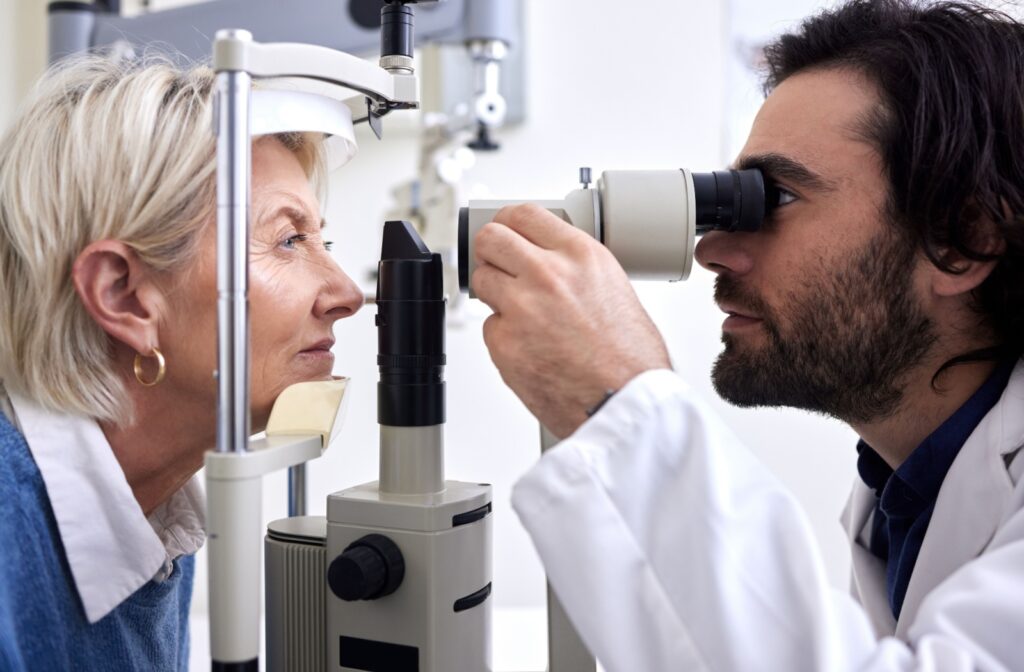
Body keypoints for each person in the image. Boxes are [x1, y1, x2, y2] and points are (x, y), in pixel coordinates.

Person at [471, 1, 1024, 669]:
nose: (713, 250)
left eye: (778, 198)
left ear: (964, 241)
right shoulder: (905, 488)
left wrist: (623, 401)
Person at [0, 56, 363, 670]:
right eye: (287, 240)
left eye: (322, 241)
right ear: (123, 296)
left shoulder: (158, 517)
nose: (347, 293)